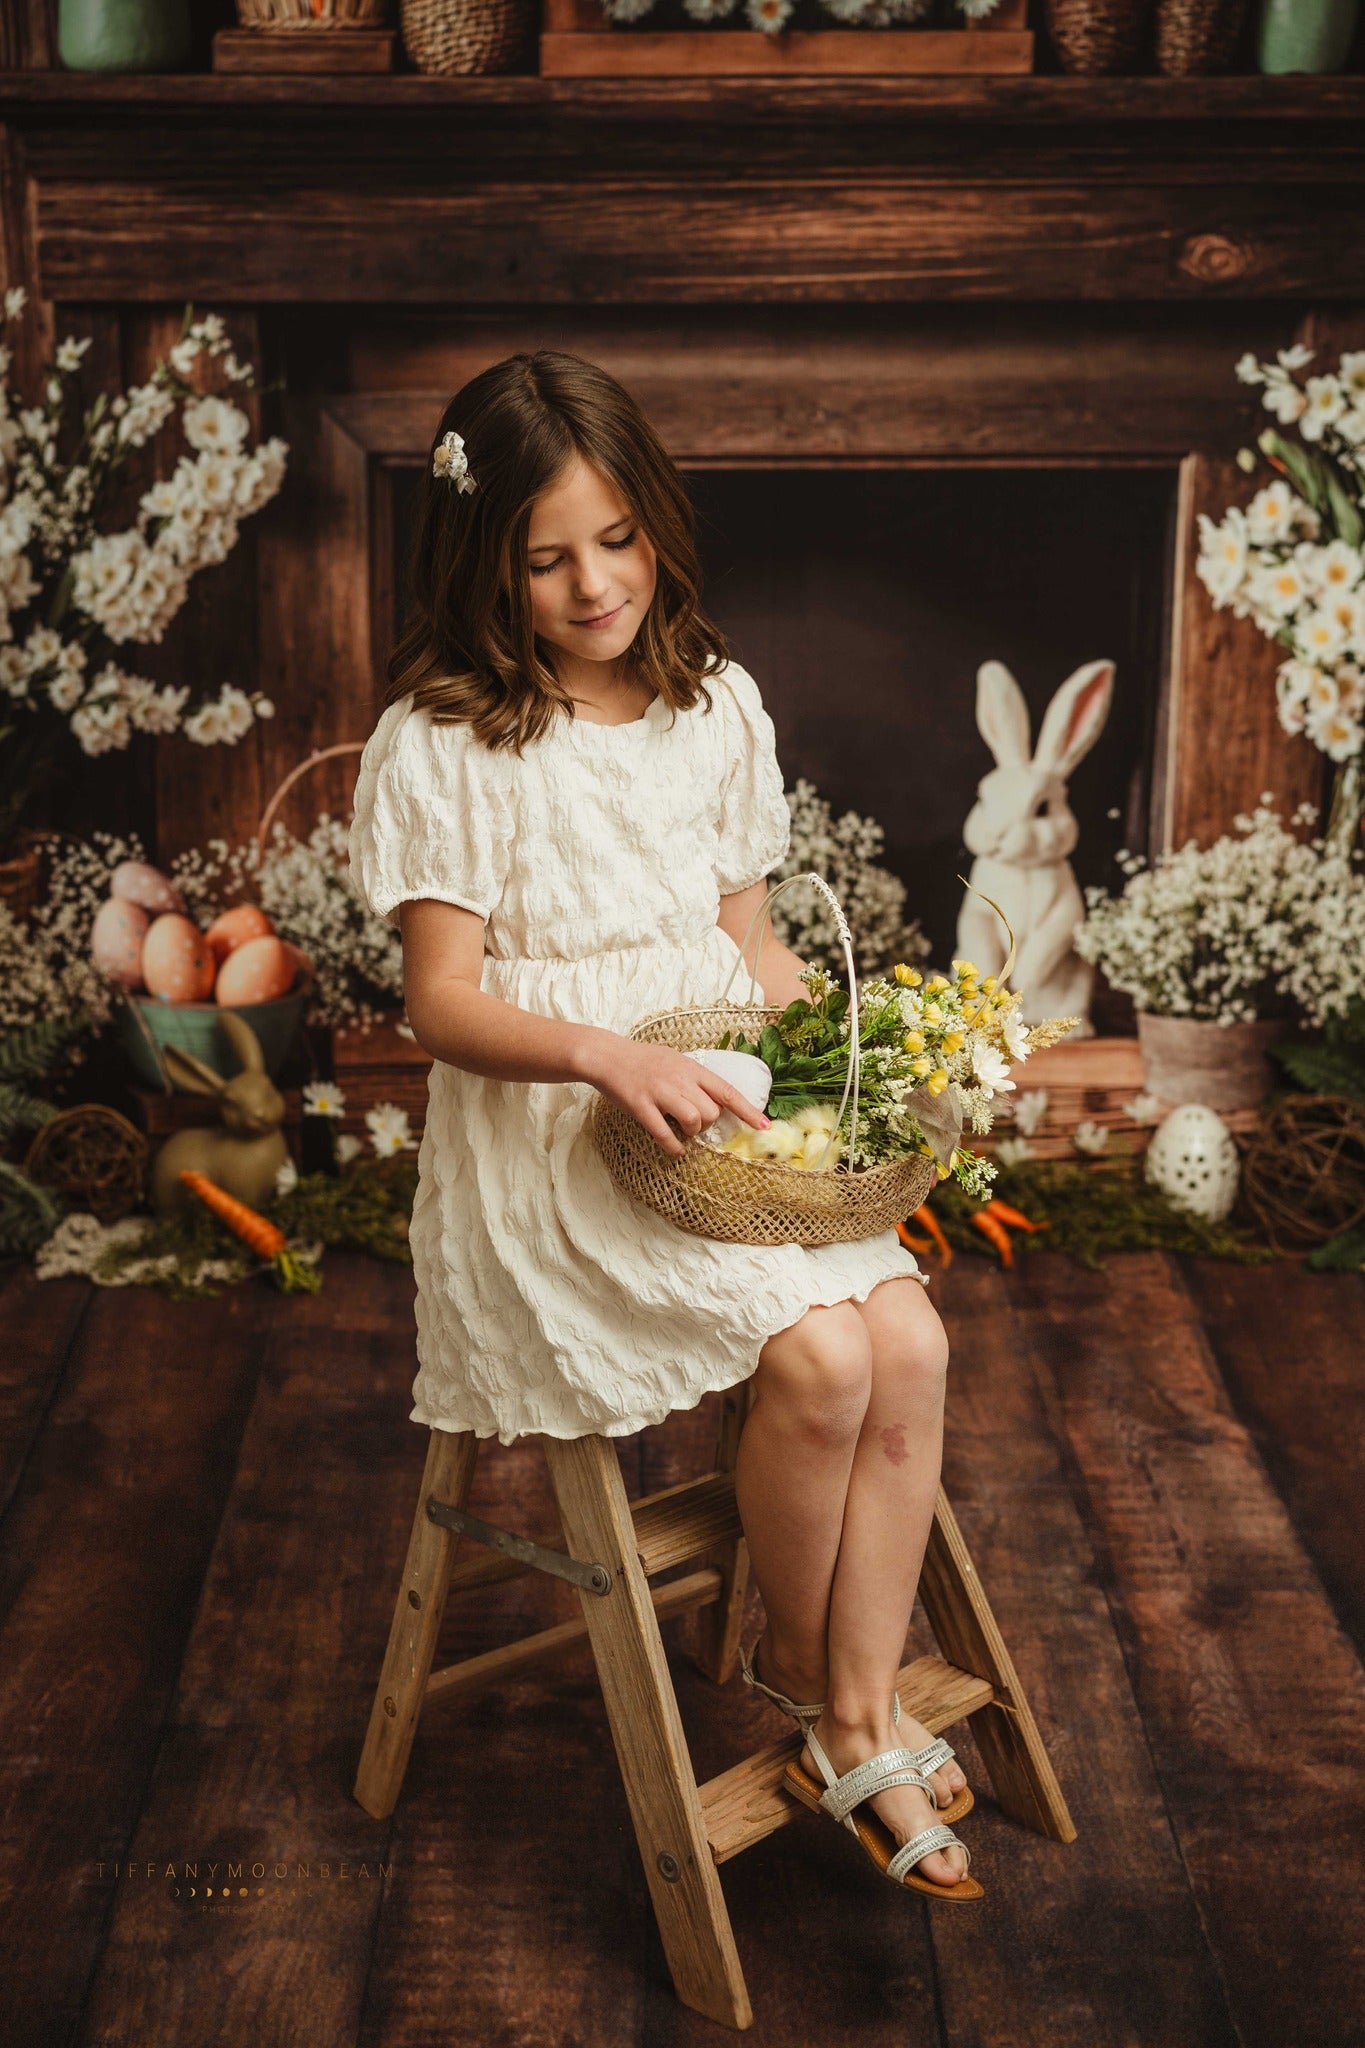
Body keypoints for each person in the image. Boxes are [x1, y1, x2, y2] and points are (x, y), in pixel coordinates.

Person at [347, 351, 977, 1900]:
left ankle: (849, 1696)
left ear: (657, 525)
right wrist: (601, 1058)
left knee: (915, 1344)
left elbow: (750, 944)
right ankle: (842, 1709)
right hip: (554, 1145)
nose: (592, 585)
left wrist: (847, 1059)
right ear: (486, 563)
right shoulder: (449, 739)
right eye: (546, 557)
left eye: (616, 540)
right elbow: (439, 1002)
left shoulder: (711, 703)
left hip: (711, 1118)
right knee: (825, 1358)